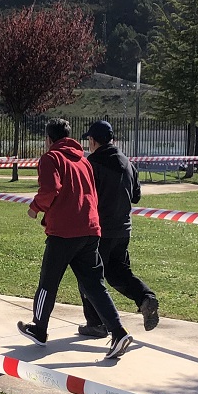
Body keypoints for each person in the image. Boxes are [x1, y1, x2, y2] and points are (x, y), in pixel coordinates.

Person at [18, 118, 135, 360]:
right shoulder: (84, 160)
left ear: (49, 139)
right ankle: (118, 332)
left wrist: (35, 208)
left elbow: (50, 190)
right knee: (94, 285)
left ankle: (39, 329)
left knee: (47, 283)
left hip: (63, 232)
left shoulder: (51, 158)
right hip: (91, 229)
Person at [77, 119, 159, 336]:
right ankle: (145, 298)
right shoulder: (127, 162)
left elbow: (85, 196)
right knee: (118, 273)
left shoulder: (92, 163)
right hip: (123, 230)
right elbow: (136, 196)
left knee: (89, 275)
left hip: (99, 230)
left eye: (89, 141)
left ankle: (95, 323)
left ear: (93, 141)